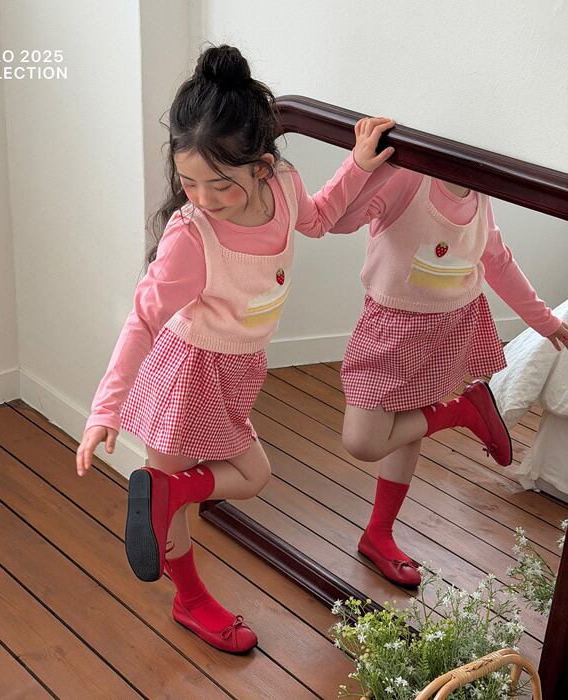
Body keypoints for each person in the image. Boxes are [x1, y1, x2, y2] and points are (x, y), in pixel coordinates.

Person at [75, 45, 393, 652]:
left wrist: (356, 166)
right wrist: (104, 410)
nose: (202, 197)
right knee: (184, 503)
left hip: (237, 371)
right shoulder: (191, 237)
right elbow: (143, 320)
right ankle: (190, 598)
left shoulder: (285, 187)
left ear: (262, 166)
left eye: (219, 185)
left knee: (250, 475)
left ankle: (168, 491)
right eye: (188, 182)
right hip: (188, 371)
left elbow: (319, 219)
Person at [330, 120, 568, 587]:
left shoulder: (479, 190)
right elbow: (337, 221)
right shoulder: (405, 177)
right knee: (363, 441)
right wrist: (358, 165)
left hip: (451, 325)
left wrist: (546, 322)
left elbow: (496, 259)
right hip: (391, 328)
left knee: (405, 430)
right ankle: (463, 410)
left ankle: (379, 533)